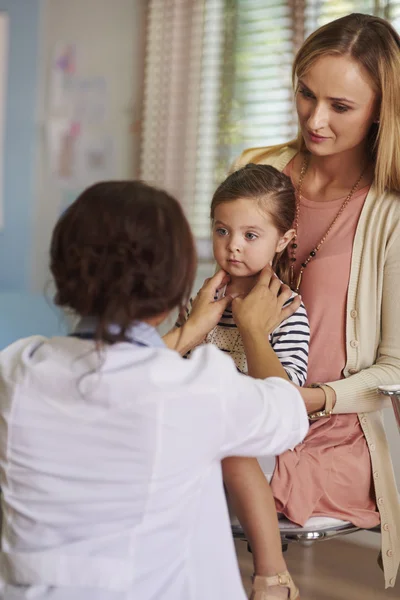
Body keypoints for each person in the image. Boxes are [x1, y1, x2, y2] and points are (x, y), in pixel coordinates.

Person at [0, 180, 308, 600]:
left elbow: (117, 369)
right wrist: (248, 329)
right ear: (177, 285)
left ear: (60, 272)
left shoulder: (16, 369)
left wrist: (189, 332)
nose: (233, 245)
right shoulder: (198, 389)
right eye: (221, 231)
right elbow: (288, 414)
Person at [232, 12, 400, 592]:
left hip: (331, 435)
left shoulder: (391, 211)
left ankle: (271, 579)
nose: (315, 119)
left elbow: (395, 371)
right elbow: (223, 305)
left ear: (381, 110)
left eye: (341, 106)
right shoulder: (259, 172)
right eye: (306, 93)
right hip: (245, 401)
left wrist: (309, 398)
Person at [179, 163, 310, 599]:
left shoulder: (289, 310)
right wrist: (194, 325)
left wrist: (254, 328)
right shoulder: (201, 300)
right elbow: (173, 372)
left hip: (257, 440)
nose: (233, 246)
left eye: (251, 235)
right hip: (197, 426)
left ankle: (272, 576)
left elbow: (282, 402)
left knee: (231, 449)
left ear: (283, 240)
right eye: (222, 231)